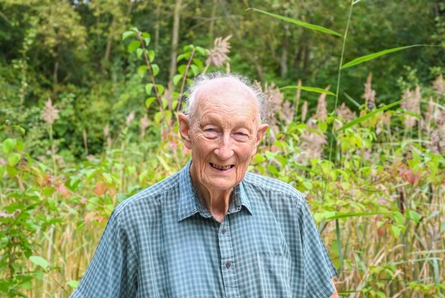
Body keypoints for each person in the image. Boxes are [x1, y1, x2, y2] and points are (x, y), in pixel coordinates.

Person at [71, 72, 338, 297]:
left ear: (257, 139)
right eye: (211, 130)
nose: (224, 150)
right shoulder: (134, 220)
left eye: (240, 134)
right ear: (186, 131)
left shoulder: (288, 207)